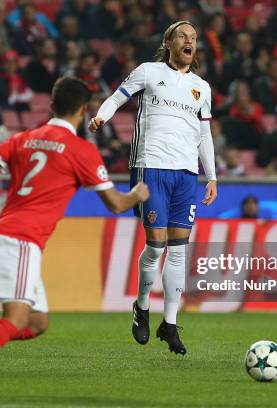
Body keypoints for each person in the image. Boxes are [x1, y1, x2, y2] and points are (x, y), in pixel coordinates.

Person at [0, 77, 149, 400]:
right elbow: (116, 204)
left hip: (5, 233)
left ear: (51, 106)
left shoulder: (24, 138)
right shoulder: (83, 151)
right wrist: (137, 193)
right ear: (84, 110)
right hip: (21, 239)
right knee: (15, 319)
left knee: (36, 322)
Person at [89, 20, 218, 355]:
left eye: (194, 37)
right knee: (157, 245)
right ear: (168, 42)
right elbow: (117, 98)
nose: (190, 41)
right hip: (151, 167)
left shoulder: (201, 88)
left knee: (179, 250)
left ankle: (170, 323)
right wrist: (102, 116)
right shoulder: (148, 72)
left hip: (187, 175)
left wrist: (212, 176)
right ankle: (142, 306)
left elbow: (204, 135)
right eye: (183, 36)